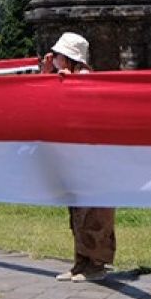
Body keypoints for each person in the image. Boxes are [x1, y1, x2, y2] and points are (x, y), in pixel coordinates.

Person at [40, 32, 116, 283]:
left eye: (60, 55)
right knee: (77, 211)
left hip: (93, 155)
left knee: (94, 210)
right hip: (73, 154)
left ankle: (96, 262)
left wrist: (70, 82)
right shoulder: (60, 79)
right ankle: (81, 261)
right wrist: (46, 74)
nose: (56, 59)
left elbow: (90, 110)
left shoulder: (86, 80)